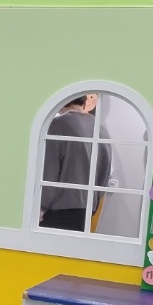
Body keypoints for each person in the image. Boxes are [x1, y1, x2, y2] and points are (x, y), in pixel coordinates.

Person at [40, 93, 112, 232]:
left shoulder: (58, 124)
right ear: (84, 102)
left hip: (58, 206)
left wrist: (41, 206)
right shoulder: (100, 128)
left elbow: (50, 169)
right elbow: (105, 171)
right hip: (87, 206)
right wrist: (94, 201)